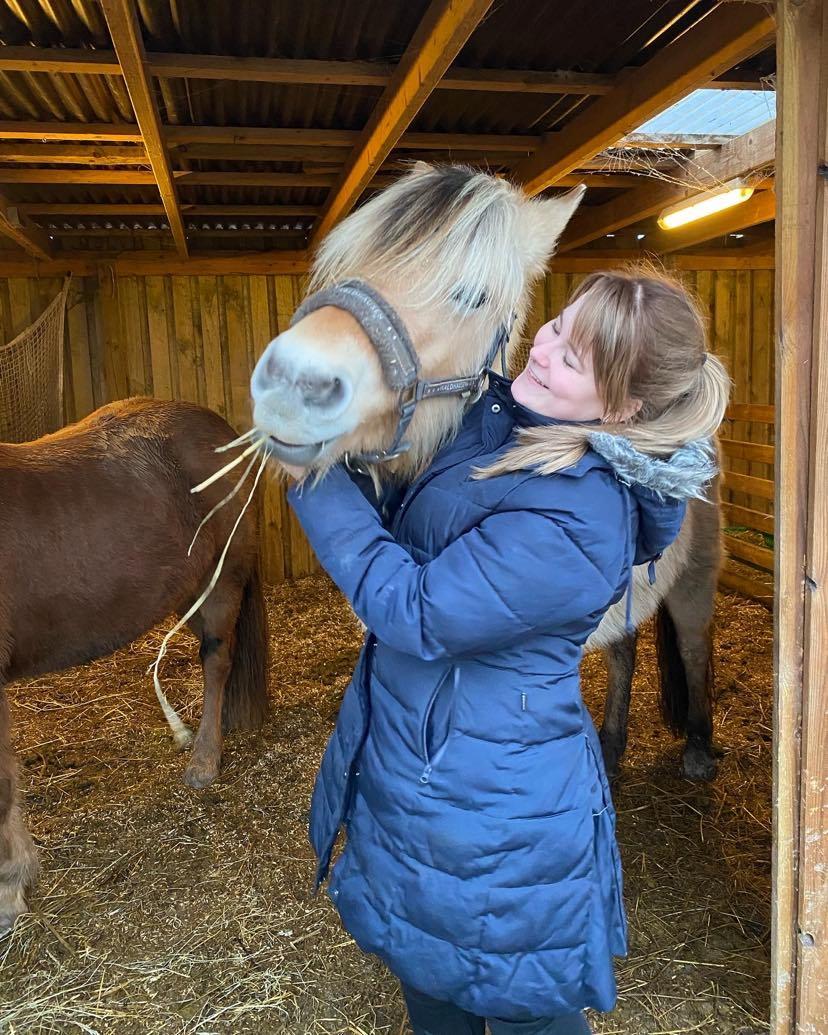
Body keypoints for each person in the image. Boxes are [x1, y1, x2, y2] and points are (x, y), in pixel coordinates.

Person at [283, 268, 730, 1034]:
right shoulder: (496, 423)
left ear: (621, 408)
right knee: (430, 984)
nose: (548, 347)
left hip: (501, 819)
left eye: (580, 357)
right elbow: (405, 517)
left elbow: (415, 611)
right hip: (428, 779)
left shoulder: (581, 515)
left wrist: (310, 478)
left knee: (527, 1008)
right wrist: (337, 428)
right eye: (559, 323)